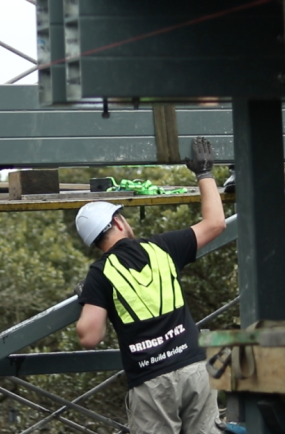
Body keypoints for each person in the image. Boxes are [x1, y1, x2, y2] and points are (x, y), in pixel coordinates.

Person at [74, 137, 226, 434]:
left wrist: (88, 298)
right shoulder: (162, 247)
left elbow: (89, 336)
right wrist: (204, 173)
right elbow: (216, 223)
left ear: (95, 243)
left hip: (152, 382)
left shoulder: (100, 273)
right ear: (118, 222)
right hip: (195, 369)